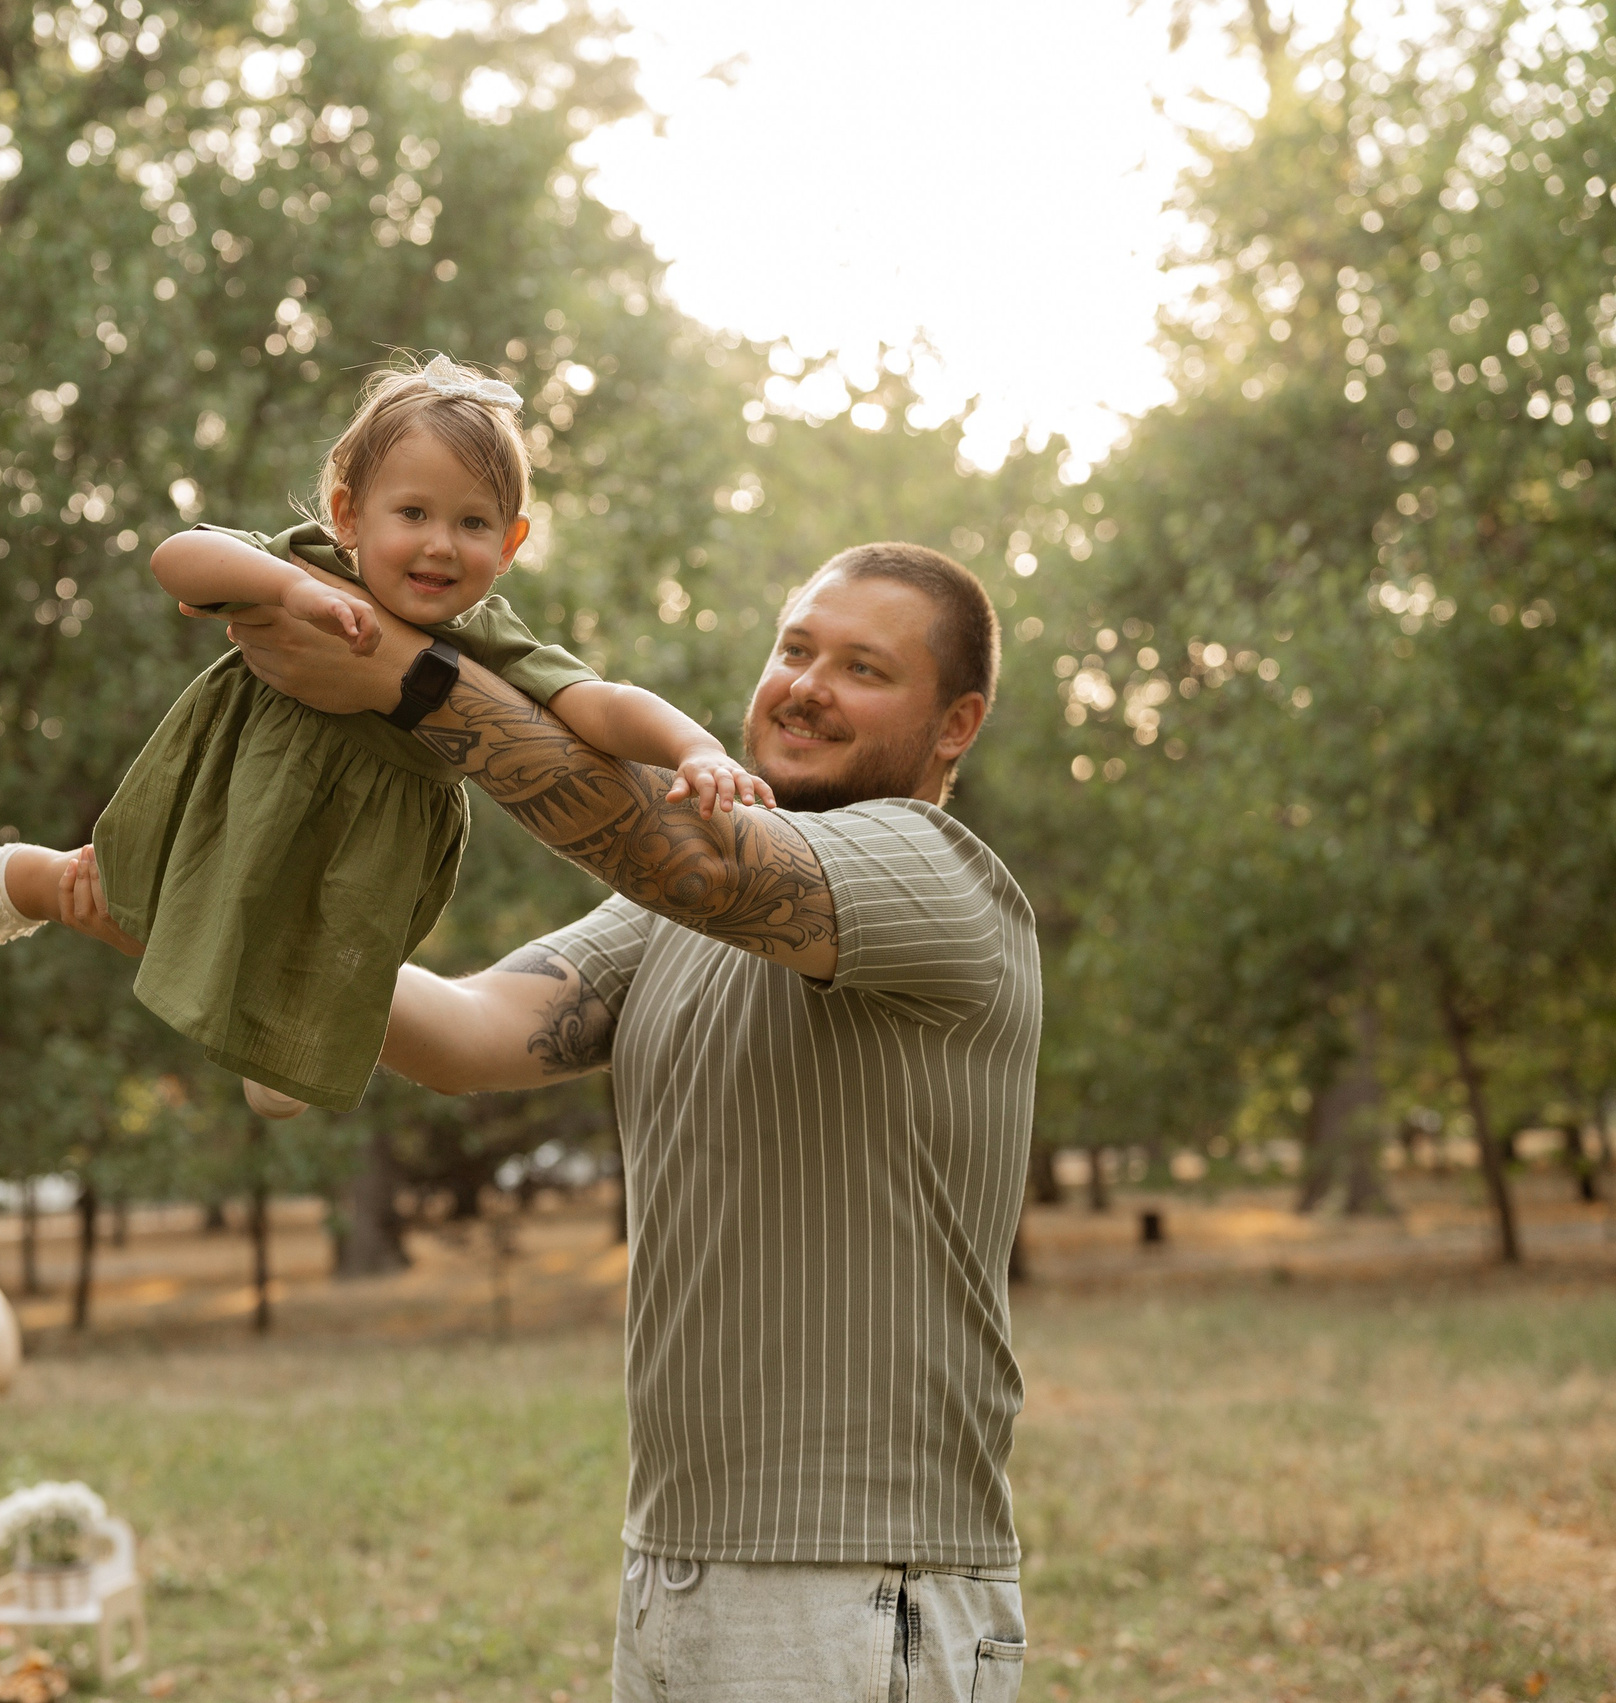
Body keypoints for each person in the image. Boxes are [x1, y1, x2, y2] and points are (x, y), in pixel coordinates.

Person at [214, 541, 1041, 1700]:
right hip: (677, 1564)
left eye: (863, 667)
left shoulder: (937, 873)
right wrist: (210, 927)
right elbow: (467, 1030)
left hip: (858, 1581)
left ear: (953, 724)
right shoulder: (667, 918)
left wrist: (407, 679)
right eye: (795, 646)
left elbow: (693, 865)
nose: (805, 683)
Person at [0, 354, 765, 1118]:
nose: (441, 545)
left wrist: (694, 748)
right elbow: (178, 555)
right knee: (106, 895)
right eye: (412, 513)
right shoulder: (313, 568)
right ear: (348, 515)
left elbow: (597, 704)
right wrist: (289, 589)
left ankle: (279, 1025)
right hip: (237, 796)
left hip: (358, 849)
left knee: (323, 952)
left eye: (473, 522)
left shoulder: (486, 637)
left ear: (513, 541)